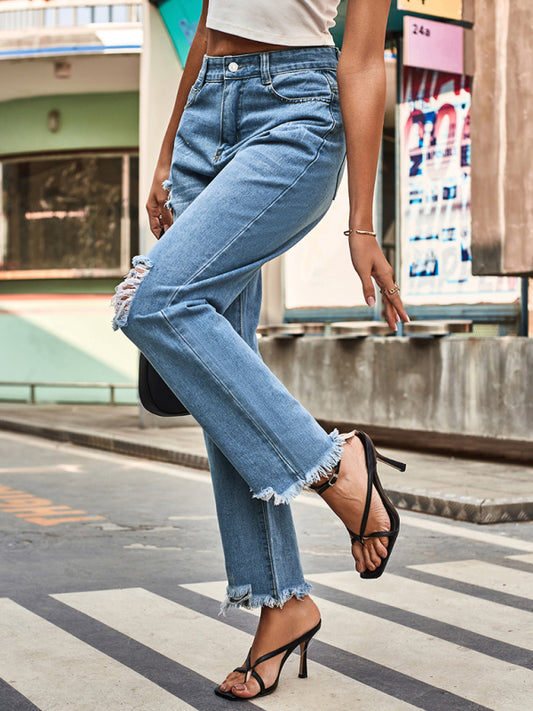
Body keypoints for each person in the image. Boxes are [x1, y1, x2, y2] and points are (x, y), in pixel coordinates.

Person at [112, 0, 409, 701]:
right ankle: (283, 603)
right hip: (204, 115)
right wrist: (165, 154)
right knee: (222, 374)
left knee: (153, 301)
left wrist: (361, 226)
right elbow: (212, 18)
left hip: (292, 112)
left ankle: (333, 467)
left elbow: (362, 57)